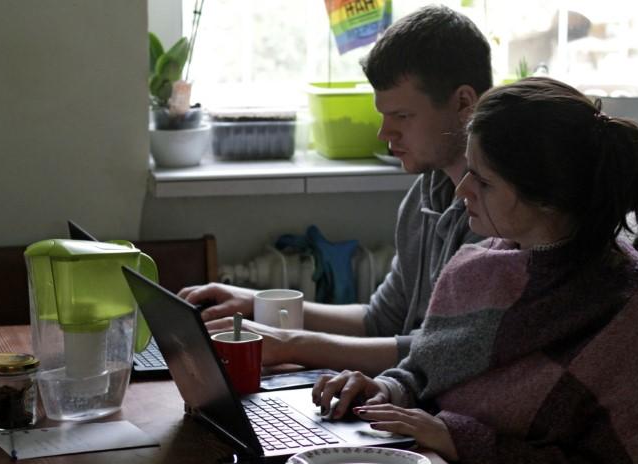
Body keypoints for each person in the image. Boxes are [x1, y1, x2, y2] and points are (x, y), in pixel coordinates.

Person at [313, 77, 638, 464]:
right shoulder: (482, 267)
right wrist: (384, 390)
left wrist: (459, 438)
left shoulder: (628, 310)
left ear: (547, 199)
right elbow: (426, 372)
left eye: (483, 181)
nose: (462, 191)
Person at [179, 5, 491, 375]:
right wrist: (254, 303)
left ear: (463, 104)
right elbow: (380, 320)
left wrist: (289, 343)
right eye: (383, 114)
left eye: (402, 116)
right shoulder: (424, 196)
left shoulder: (498, 213)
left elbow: (444, 351)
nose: (384, 133)